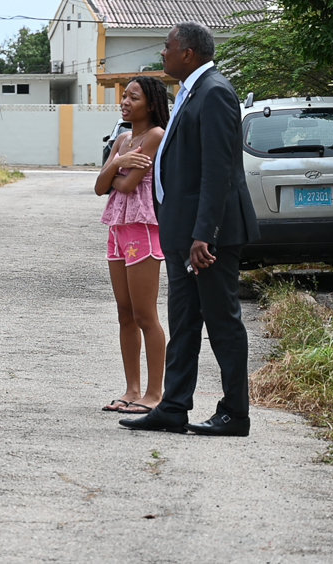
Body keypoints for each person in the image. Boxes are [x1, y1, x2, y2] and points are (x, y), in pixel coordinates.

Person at [121, 22, 260, 437]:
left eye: (167, 47)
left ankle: (235, 413)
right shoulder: (190, 91)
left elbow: (218, 171)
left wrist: (205, 234)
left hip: (207, 238)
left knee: (222, 323)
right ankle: (174, 407)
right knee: (183, 323)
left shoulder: (214, 92)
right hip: (184, 234)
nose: (162, 54)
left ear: (188, 53)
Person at [94, 77, 170, 415]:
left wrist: (116, 172)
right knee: (125, 313)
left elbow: (125, 187)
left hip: (143, 229)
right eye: (124, 95)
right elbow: (101, 186)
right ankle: (131, 389)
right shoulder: (124, 139)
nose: (125, 101)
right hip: (118, 229)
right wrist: (116, 163)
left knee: (145, 315)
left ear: (151, 104)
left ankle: (155, 393)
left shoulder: (155, 135)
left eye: (133, 97)